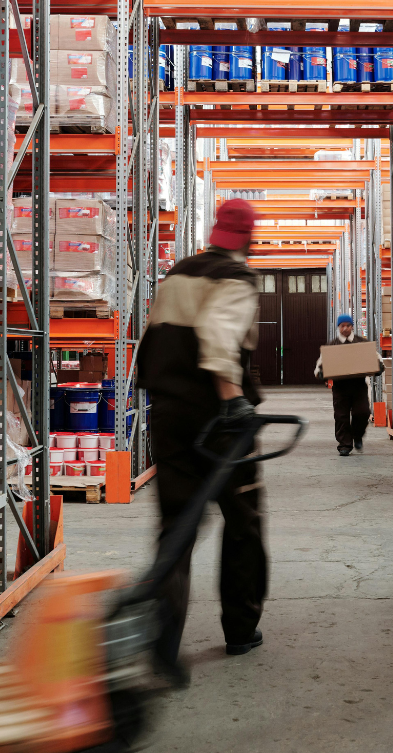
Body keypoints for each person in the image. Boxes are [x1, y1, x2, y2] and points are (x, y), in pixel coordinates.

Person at [135, 198, 267, 687]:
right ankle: (241, 628)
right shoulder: (237, 278)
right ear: (249, 239)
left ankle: (162, 644)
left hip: (168, 415)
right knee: (244, 522)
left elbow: (156, 337)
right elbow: (217, 336)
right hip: (219, 422)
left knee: (177, 528)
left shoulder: (178, 272)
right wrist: (232, 400)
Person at [314, 314, 384, 456]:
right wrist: (321, 373)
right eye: (342, 326)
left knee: (363, 412)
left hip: (358, 386)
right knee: (341, 416)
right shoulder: (331, 346)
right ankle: (344, 445)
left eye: (348, 325)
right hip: (340, 387)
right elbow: (319, 365)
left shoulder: (362, 343)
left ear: (352, 326)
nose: (345, 328)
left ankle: (357, 435)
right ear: (338, 327)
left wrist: (379, 367)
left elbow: (377, 358)